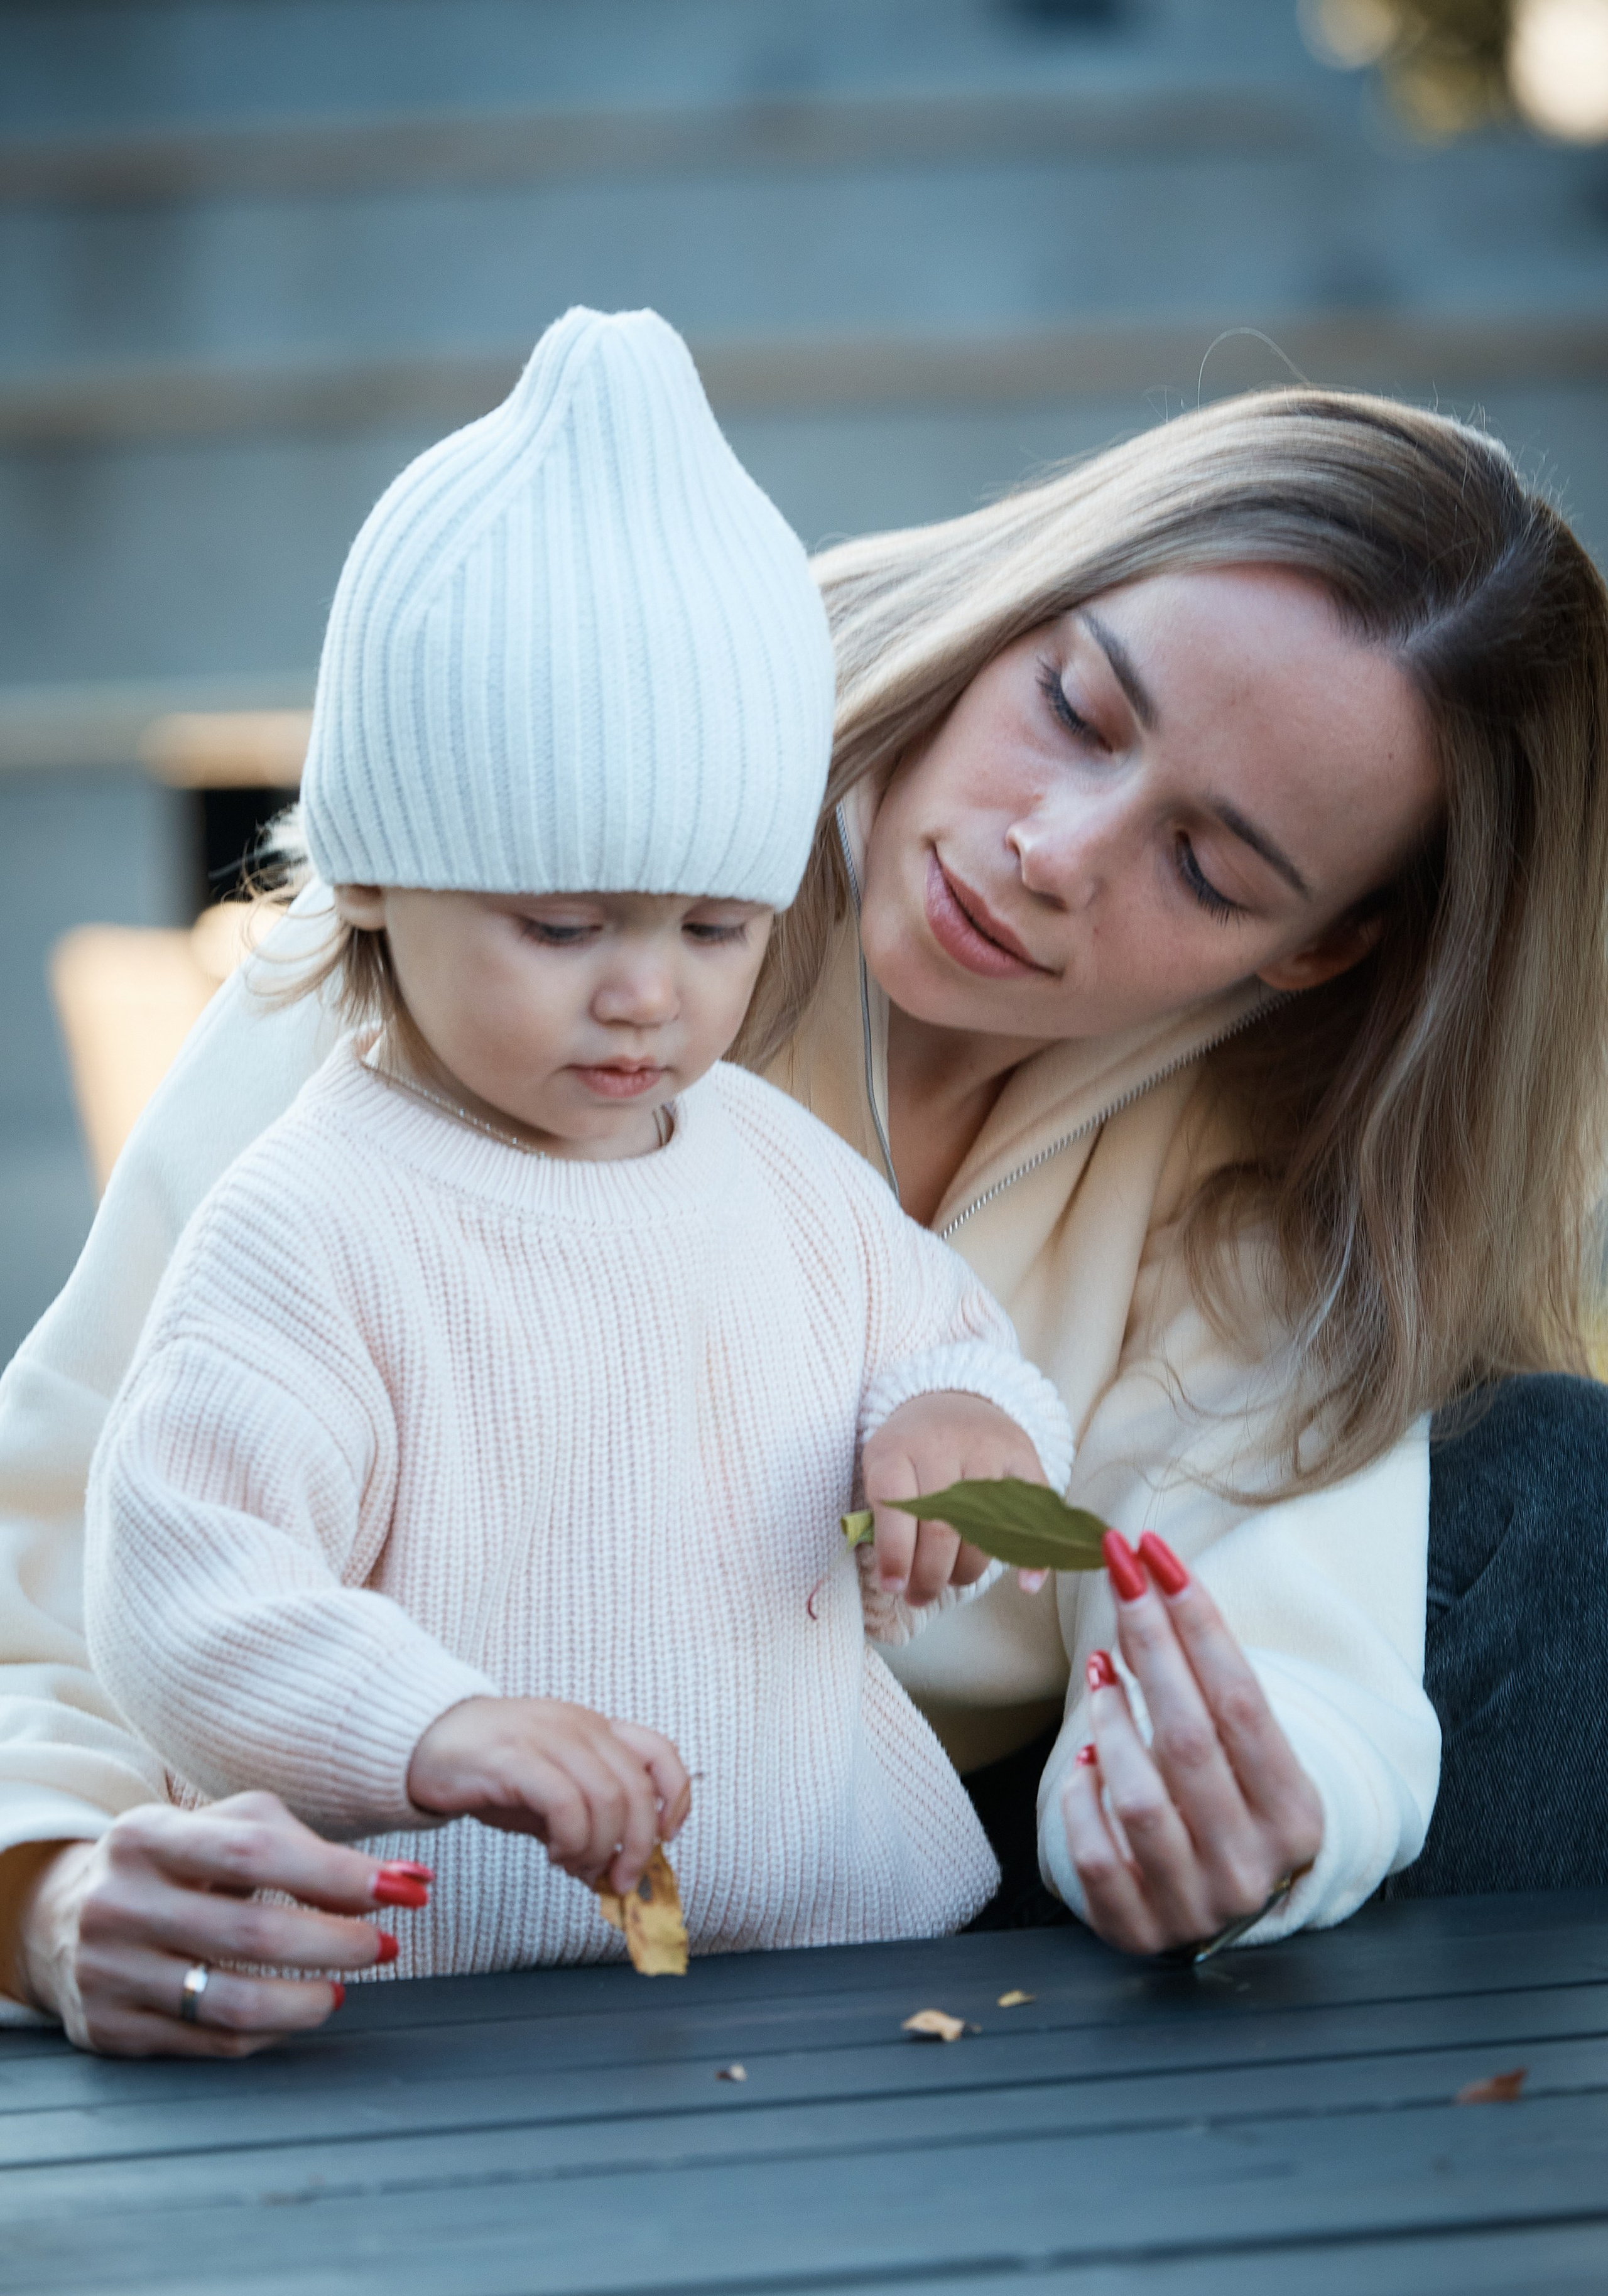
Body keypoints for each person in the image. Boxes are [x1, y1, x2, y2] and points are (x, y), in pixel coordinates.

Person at [3, 359, 1605, 2054]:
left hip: (918, 1904)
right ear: (1014, 612)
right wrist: (50, 1891)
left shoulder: (1267, 1164)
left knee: (1559, 1492)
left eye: (1208, 867)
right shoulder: (454, 940)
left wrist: (1240, 1825)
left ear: (1319, 947)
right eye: (1073, 707)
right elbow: (75, 1534)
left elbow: (1272, 1619)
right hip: (449, 1886)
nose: (1053, 849)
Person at [72, 307, 1077, 2031]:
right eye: (559, 922)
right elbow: (183, 1578)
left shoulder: (780, 1168)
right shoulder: (316, 1219)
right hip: (462, 2006)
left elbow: (958, 1343)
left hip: (864, 1958)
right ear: (376, 875)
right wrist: (429, 1728)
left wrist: (961, 1432)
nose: (645, 991)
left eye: (712, 924)